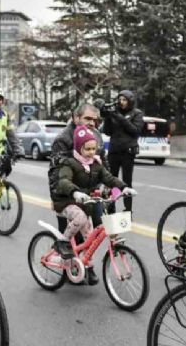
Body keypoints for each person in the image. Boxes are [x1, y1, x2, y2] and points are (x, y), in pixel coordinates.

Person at [50, 125, 134, 285]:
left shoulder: (96, 164)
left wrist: (124, 187)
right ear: (78, 148)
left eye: (93, 148)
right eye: (87, 149)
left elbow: (109, 178)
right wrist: (74, 192)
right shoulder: (69, 163)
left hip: (84, 202)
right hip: (66, 202)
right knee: (81, 218)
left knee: (90, 237)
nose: (91, 152)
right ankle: (63, 243)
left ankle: (84, 263)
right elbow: (63, 181)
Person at [49, 103, 103, 234]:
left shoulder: (96, 135)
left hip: (91, 194)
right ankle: (60, 251)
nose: (92, 123)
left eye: (94, 120)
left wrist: (111, 186)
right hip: (68, 196)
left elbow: (103, 165)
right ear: (76, 117)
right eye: (88, 119)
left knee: (99, 230)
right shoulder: (63, 139)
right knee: (68, 239)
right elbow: (58, 176)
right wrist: (72, 193)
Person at [101, 90, 144, 213]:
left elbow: (135, 130)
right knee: (111, 181)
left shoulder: (137, 113)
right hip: (114, 151)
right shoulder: (115, 113)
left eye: (124, 100)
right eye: (120, 100)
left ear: (130, 101)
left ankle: (127, 210)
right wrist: (109, 117)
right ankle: (111, 207)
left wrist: (118, 116)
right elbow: (107, 131)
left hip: (127, 152)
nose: (121, 102)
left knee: (127, 182)